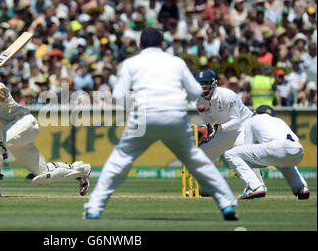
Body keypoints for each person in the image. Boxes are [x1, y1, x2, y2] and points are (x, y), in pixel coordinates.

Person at [83, 27, 238, 221]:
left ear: (140, 45)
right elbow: (195, 91)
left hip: (144, 116)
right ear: (163, 44)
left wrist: (135, 106)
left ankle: (94, 208)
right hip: (174, 116)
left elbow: (118, 96)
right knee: (196, 160)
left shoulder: (131, 63)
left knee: (119, 160)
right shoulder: (176, 62)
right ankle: (227, 204)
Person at [0, 62, 92, 197]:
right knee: (43, 175)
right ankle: (81, 170)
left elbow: (2, 96)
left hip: (25, 124)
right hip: (11, 136)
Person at [194, 69, 266, 195]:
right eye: (198, 85)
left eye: (204, 84)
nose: (202, 88)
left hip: (244, 127)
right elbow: (210, 124)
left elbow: (236, 121)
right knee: (201, 153)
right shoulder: (199, 101)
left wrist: (217, 128)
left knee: (240, 151)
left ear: (214, 84)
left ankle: (258, 187)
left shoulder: (227, 95)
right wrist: (206, 133)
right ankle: (206, 188)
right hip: (226, 130)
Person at [224, 105, 310, 200]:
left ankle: (255, 187)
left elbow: (247, 146)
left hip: (275, 148)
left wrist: (243, 166)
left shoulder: (252, 119)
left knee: (231, 154)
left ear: (255, 113)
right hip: (298, 150)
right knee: (284, 162)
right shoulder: (278, 120)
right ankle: (301, 188)